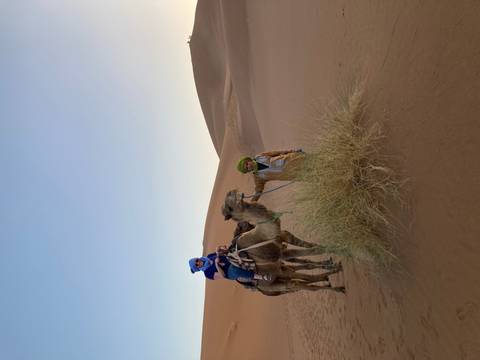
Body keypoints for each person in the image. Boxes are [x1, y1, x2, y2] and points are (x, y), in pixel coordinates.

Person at [236, 148, 305, 201]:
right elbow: (258, 191)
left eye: (247, 164)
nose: (248, 166)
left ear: (248, 160)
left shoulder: (259, 156)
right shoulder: (258, 177)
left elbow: (278, 153)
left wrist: (293, 151)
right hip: (293, 174)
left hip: (293, 159)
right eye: (247, 168)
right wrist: (251, 202)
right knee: (312, 176)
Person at [189, 246, 272, 282]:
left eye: (196, 260)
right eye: (196, 264)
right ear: (198, 268)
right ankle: (262, 277)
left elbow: (222, 253)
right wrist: (217, 265)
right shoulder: (207, 274)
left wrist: (221, 248)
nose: (198, 262)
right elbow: (222, 275)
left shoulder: (209, 256)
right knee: (235, 270)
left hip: (229, 258)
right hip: (229, 271)